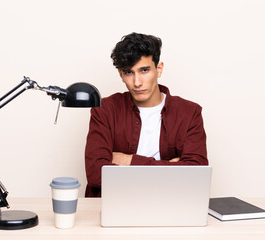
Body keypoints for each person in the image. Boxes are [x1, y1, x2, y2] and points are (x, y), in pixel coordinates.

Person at [84, 32, 208, 197]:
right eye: (129, 72)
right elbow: (95, 174)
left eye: (144, 70)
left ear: (159, 69)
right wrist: (169, 167)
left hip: (169, 202)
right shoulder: (105, 110)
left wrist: (129, 161)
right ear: (121, 74)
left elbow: (197, 174)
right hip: (117, 201)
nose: (137, 82)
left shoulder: (189, 112)